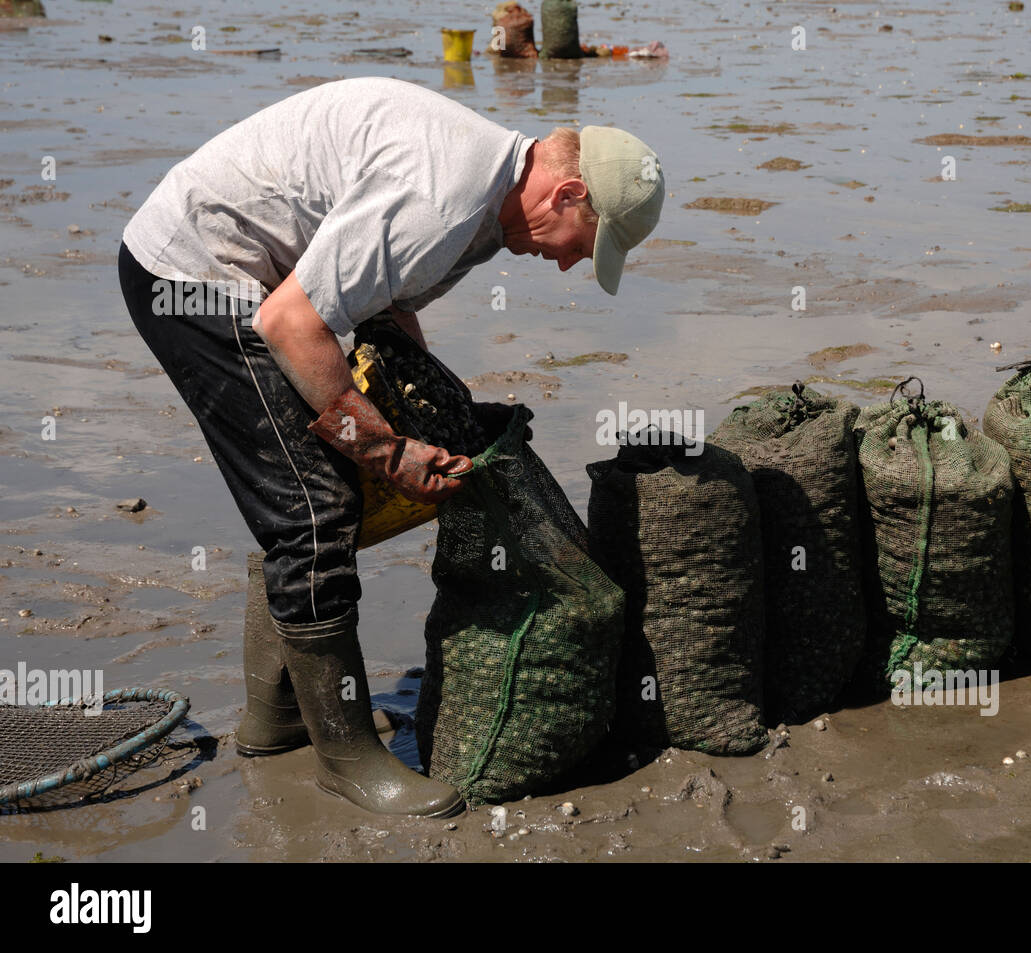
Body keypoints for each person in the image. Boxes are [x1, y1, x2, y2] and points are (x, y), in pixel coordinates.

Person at [117, 76, 664, 817]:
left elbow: (383, 305)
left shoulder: (481, 212)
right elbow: (292, 323)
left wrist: (433, 416)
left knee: (309, 488)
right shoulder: (445, 196)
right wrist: (382, 449)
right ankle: (346, 756)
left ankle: (279, 717)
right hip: (193, 274)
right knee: (314, 504)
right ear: (567, 194)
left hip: (270, 285)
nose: (569, 264)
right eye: (584, 247)